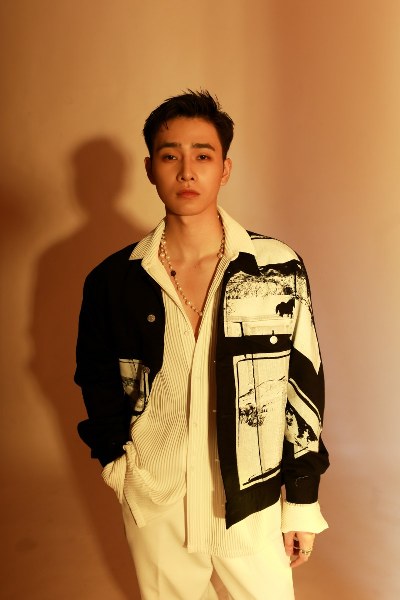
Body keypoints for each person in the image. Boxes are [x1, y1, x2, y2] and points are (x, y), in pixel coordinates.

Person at [75, 90, 329, 600]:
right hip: (156, 492)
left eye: (203, 156)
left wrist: (301, 500)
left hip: (251, 493)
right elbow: (96, 377)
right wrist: (118, 464)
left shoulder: (275, 268)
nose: (187, 172)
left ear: (225, 169)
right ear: (150, 168)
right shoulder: (113, 281)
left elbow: (303, 385)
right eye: (170, 156)